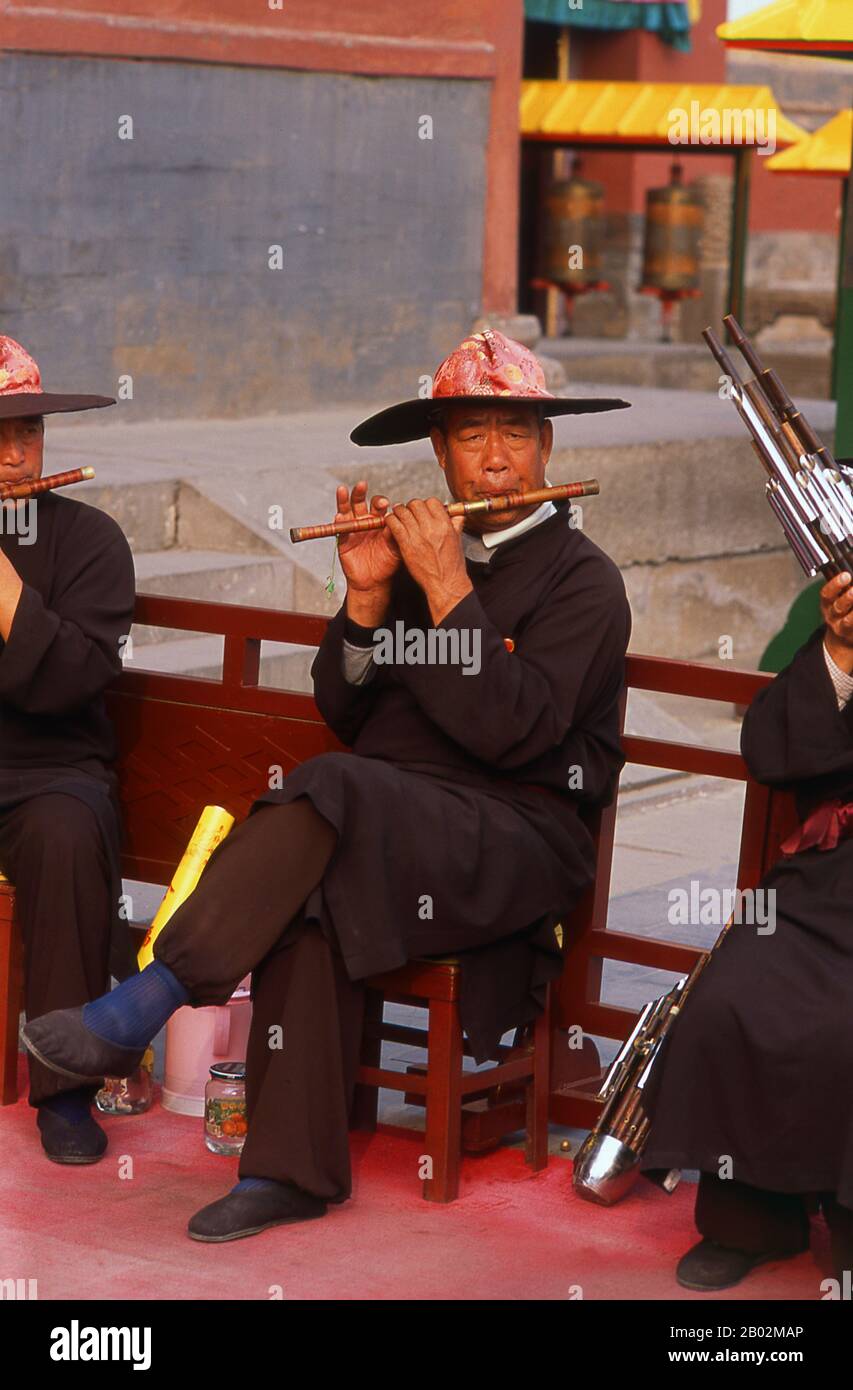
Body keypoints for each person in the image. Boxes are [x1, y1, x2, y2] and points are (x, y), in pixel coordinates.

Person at [23, 329, 632, 1242]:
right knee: (307, 905)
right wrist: (363, 601)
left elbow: (519, 734)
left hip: (513, 836)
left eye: (516, 433)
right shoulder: (418, 563)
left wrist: (448, 589)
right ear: (440, 452)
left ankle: (145, 998)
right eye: (473, 437)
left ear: (547, 447)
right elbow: (345, 710)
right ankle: (289, 1172)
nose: (497, 457)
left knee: (331, 788)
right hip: (385, 822)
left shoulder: (586, 582)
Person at [640, 570, 853, 1291]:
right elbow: (768, 750)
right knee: (733, 999)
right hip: (831, 880)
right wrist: (838, 649)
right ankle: (750, 1217)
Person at [0, 335, 136, 1162]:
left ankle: (63, 1088)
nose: (16, 454)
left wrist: (5, 587)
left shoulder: (91, 540)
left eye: (30, 432)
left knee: (66, 835)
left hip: (51, 772)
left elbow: (71, 683)